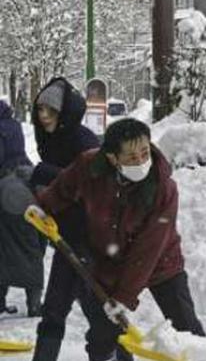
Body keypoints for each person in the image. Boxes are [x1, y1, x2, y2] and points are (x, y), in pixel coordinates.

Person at [33, 118, 205, 361]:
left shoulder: (163, 187)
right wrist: (43, 208)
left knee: (187, 329)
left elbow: (149, 248)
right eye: (132, 157)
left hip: (160, 262)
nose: (142, 161)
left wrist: (124, 298)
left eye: (145, 152)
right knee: (102, 339)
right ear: (113, 158)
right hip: (109, 262)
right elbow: (63, 190)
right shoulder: (89, 166)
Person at [28, 78, 104, 361]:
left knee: (101, 317)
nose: (44, 116)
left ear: (65, 112)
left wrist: (45, 174)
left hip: (92, 239)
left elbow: (94, 188)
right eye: (40, 109)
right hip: (67, 237)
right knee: (54, 312)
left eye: (51, 110)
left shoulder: (83, 141)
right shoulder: (49, 137)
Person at [0, 99, 42, 317]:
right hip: (25, 183)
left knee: (6, 248)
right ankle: (34, 303)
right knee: (29, 246)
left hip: (8, 190)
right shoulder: (12, 123)